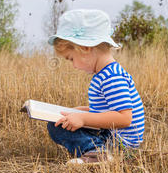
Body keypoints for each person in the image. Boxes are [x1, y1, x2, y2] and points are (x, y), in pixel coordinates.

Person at [47, 9, 145, 164]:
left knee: (57, 127)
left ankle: (98, 154)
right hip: (111, 134)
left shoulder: (112, 77)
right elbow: (108, 110)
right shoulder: (105, 74)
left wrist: (84, 118)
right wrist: (81, 111)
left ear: (85, 49)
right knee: (58, 123)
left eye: (71, 59)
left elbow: (124, 118)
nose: (73, 66)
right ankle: (97, 152)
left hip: (119, 142)